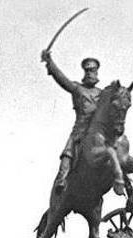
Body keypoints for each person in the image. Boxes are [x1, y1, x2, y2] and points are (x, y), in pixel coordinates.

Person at [41, 51, 103, 193]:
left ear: (97, 72)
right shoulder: (77, 88)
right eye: (87, 70)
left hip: (97, 133)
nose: (89, 73)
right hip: (80, 131)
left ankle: (126, 183)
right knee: (68, 152)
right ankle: (62, 179)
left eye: (92, 70)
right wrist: (50, 63)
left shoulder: (102, 94)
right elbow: (62, 79)